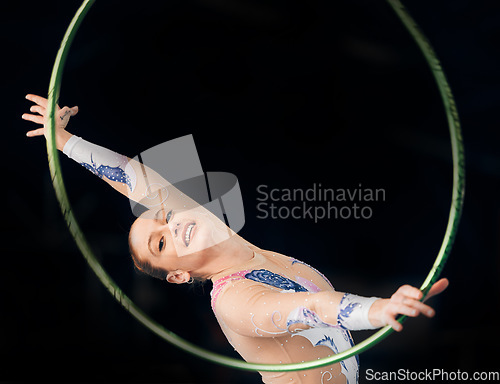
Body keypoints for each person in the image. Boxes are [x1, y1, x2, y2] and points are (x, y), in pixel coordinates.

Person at [22, 94, 449, 384]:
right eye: (161, 244)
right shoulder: (233, 299)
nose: (171, 226)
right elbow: (313, 307)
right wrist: (379, 309)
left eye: (164, 218)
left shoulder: (232, 243)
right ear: (178, 275)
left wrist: (64, 140)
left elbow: (134, 177)